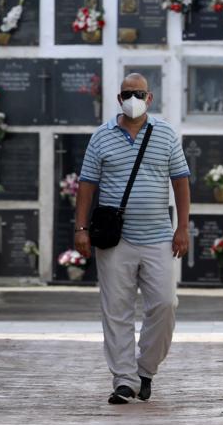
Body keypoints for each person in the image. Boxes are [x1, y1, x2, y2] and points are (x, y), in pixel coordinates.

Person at [73, 73, 191, 404]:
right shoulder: (102, 137)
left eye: (139, 93)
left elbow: (180, 181)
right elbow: (87, 184)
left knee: (165, 304)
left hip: (158, 237)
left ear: (149, 98)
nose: (133, 99)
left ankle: (145, 369)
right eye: (127, 93)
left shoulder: (165, 133)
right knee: (117, 310)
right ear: (119, 98)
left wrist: (182, 227)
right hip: (116, 240)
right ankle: (124, 380)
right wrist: (81, 229)